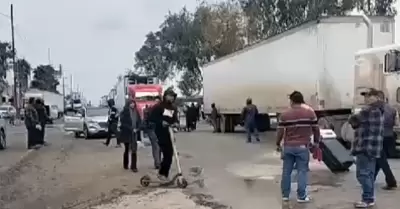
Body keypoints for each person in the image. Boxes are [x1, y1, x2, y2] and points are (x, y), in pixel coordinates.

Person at [276, 91, 320, 203]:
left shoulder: (285, 114)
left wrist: (277, 143)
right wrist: (316, 142)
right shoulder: (310, 112)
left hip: (288, 147)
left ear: (291, 100)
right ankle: (301, 196)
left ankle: (285, 195)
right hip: (302, 147)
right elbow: (316, 129)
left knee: (286, 171)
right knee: (302, 171)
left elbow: (280, 131)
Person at [349, 88, 385, 208]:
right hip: (375, 147)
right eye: (365, 96)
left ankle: (367, 199)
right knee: (369, 173)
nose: (366, 98)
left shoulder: (368, 110)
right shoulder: (380, 109)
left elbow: (352, 120)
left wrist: (355, 120)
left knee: (362, 174)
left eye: (369, 96)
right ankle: (370, 198)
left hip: (364, 145)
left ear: (377, 97)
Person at [148, 89, 178, 182]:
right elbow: (151, 118)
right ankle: (162, 174)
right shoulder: (158, 107)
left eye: (173, 96)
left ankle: (164, 174)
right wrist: (161, 122)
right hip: (160, 132)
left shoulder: (173, 108)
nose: (171, 98)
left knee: (170, 154)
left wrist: (176, 123)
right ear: (165, 96)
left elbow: (174, 119)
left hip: (170, 132)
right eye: (170, 96)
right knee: (166, 152)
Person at [374, 91, 397, 190]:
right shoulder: (392, 109)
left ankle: (391, 181)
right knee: (380, 159)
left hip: (381, 136)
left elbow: (379, 123)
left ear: (379, 98)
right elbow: (395, 123)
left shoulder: (379, 109)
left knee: (381, 160)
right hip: (389, 136)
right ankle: (372, 178)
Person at [118, 99, 141, 172]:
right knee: (127, 149)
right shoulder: (124, 112)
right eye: (131, 103)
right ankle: (125, 164)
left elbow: (139, 121)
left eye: (133, 103)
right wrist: (131, 129)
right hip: (127, 133)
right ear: (128, 104)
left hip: (134, 133)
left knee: (134, 149)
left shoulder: (136, 112)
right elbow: (123, 123)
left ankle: (134, 166)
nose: (132, 105)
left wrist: (138, 128)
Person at [143, 103, 161, 169]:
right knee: (156, 146)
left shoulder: (148, 111)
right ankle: (157, 163)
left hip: (152, 130)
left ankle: (157, 162)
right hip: (153, 130)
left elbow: (145, 121)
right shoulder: (150, 112)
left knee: (156, 147)